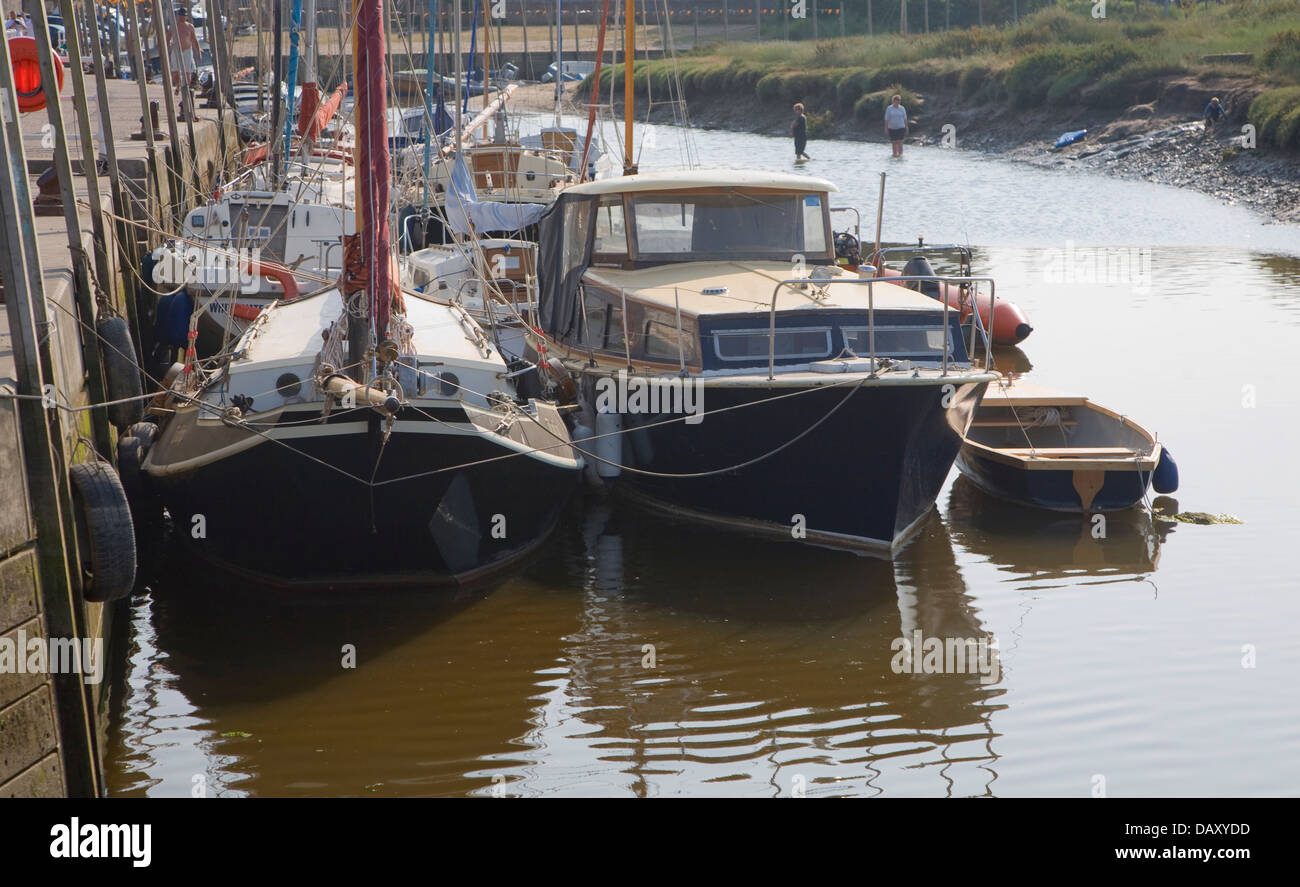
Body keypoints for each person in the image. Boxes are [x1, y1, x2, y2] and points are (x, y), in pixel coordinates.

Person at [165, 8, 200, 95]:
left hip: (187, 50)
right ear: (178, 16)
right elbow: (167, 38)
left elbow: (194, 40)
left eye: (184, 15)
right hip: (176, 50)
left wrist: (198, 52)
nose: (182, 17)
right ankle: (178, 86)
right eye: (181, 15)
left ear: (186, 16)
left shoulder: (190, 26)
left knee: (188, 71)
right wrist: (168, 48)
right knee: (175, 71)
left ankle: (186, 88)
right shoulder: (173, 26)